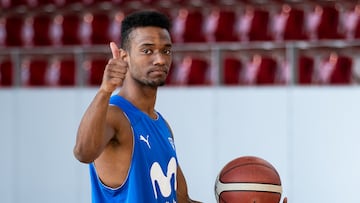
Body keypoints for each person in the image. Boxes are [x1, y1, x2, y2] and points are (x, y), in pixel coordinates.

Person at [73, 10, 201, 203]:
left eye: (166, 50)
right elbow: (83, 153)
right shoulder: (114, 115)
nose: (160, 59)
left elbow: (182, 200)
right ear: (124, 57)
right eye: (147, 50)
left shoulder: (162, 124)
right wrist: (104, 91)